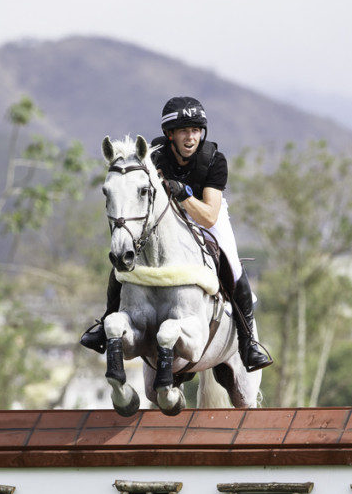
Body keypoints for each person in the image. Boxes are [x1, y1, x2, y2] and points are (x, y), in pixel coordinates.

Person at [80, 96, 272, 372]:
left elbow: (209, 215)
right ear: (170, 134)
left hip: (206, 214)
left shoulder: (214, 160)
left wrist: (183, 194)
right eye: (184, 131)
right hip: (164, 216)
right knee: (125, 255)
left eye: (195, 130)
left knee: (231, 263)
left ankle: (248, 342)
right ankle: (106, 321)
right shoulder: (155, 153)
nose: (191, 137)